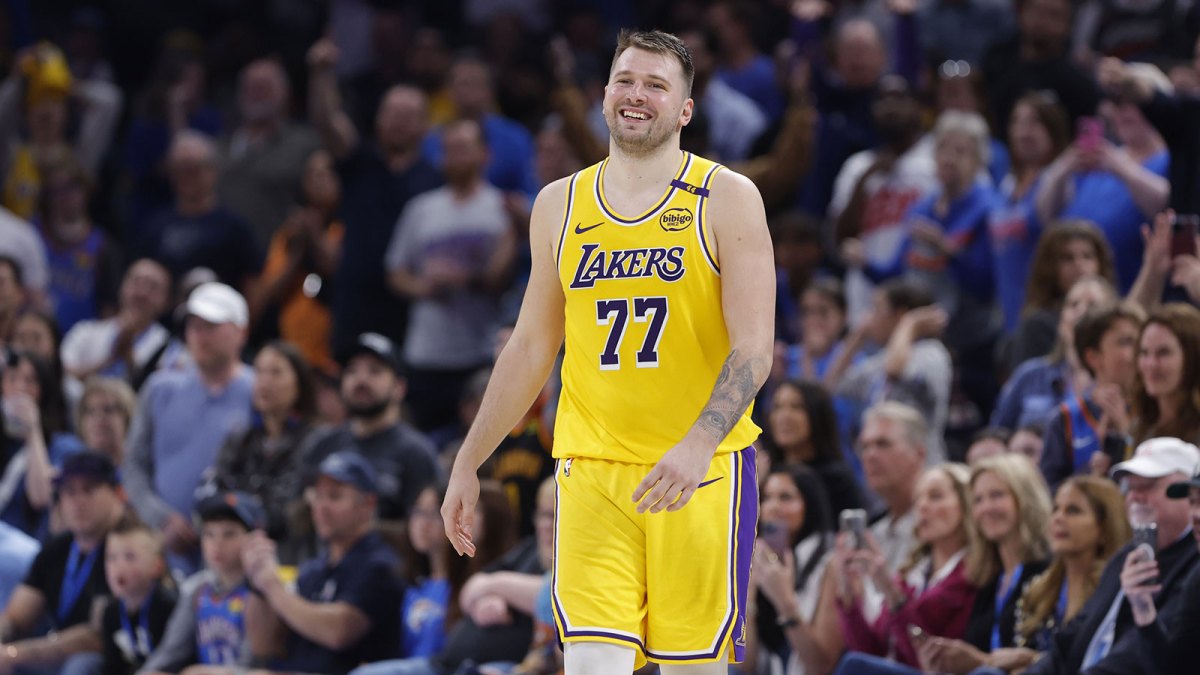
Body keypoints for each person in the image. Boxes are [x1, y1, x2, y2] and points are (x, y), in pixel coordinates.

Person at [442, 29, 774, 675]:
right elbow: (531, 346)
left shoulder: (728, 197)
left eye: (656, 85)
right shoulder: (558, 204)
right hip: (592, 470)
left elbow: (754, 348)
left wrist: (699, 442)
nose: (636, 95)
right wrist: (468, 459)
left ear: (685, 109)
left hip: (700, 472)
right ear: (603, 96)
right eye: (625, 80)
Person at [1023, 437, 1199, 674]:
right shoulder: (1126, 555)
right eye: (1131, 488)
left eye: (1148, 486)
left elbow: (1137, 659)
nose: (1135, 497)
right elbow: (1068, 642)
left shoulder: (1192, 563)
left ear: (1188, 495)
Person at [385, 118, 518, 432]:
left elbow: (502, 279)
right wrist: (424, 287)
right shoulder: (421, 209)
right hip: (426, 353)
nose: (455, 157)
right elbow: (395, 271)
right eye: (449, 150)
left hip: (480, 351)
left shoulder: (502, 209)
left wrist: (466, 278)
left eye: (463, 149)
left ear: (484, 154)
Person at [122, 282, 253, 573]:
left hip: (234, 559)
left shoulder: (259, 392)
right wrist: (160, 518)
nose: (200, 335)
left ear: (241, 332)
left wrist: (224, 528)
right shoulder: (159, 389)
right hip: (161, 550)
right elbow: (133, 464)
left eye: (211, 326)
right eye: (194, 326)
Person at [242, 451, 404, 673]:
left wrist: (273, 587)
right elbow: (264, 646)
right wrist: (258, 582)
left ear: (368, 503)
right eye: (317, 496)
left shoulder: (380, 565)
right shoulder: (313, 570)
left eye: (335, 497)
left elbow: (338, 632)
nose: (321, 507)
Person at [832, 463, 980, 674]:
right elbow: (870, 651)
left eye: (935, 496)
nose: (922, 506)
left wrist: (891, 592)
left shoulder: (973, 574)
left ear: (966, 504)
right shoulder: (912, 573)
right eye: (918, 499)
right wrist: (848, 590)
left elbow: (927, 659)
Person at [914, 454, 1054, 673]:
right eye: (978, 500)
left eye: (997, 495)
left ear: (1025, 498)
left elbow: (1053, 658)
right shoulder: (987, 578)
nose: (986, 508)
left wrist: (981, 661)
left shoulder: (1050, 571)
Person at [0, 452, 126, 674]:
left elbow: (97, 636)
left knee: (81, 665)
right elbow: (16, 618)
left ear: (117, 493)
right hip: (56, 654)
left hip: (113, 661)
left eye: (89, 490)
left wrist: (15, 654)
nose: (78, 502)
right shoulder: (57, 549)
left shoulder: (125, 550)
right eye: (69, 491)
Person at [300, 332, 439, 525]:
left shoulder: (416, 453)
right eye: (351, 371)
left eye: (375, 371)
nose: (361, 380)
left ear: (399, 387)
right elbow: (296, 514)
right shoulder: (322, 443)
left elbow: (426, 528)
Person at [202, 341, 318, 562]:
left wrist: (240, 509)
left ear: (299, 383)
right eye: (260, 372)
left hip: (289, 555)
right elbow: (213, 497)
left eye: (276, 373)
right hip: (234, 555)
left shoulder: (316, 441)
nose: (265, 381)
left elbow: (288, 511)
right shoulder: (239, 439)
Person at [138, 491, 266, 672]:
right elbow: (170, 653)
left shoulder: (264, 591)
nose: (217, 543)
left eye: (229, 534)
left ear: (255, 538)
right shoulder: (197, 590)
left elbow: (255, 664)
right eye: (209, 534)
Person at [1009, 477, 1130, 659]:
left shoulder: (1115, 592)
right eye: (1055, 509)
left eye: (1073, 510)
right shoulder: (1037, 590)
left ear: (1105, 527)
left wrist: (1030, 660)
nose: (1058, 518)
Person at [745, 464, 842, 675]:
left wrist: (784, 601)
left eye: (786, 497)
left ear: (810, 505)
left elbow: (821, 666)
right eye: (766, 498)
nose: (773, 507)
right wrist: (748, 596)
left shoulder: (831, 564)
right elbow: (745, 665)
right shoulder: (754, 559)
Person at [987, 92, 1071, 336]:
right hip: (1007, 313)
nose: (1024, 131)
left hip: (1044, 314)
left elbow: (1044, 215)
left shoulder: (1061, 181)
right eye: (1017, 122)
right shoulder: (1007, 184)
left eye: (1034, 122)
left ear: (1052, 129)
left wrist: (1063, 167)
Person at [991, 276, 1117, 431]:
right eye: (1073, 304)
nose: (1081, 311)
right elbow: (996, 434)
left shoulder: (1118, 383)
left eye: (1093, 305)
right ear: (1061, 321)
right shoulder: (1029, 376)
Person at [1040, 304, 1143, 487]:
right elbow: (1048, 493)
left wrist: (1126, 431)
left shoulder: (1155, 411)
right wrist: (1091, 475)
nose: (1138, 352)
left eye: (1140, 342)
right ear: (1093, 357)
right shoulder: (1065, 419)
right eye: (1126, 342)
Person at [1000, 220, 1116, 377]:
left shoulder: (1116, 321)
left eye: (1087, 256)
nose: (1079, 265)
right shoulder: (1036, 327)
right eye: (1068, 258)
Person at [1126, 466, 1200, 674]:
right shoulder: (1196, 579)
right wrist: (1144, 611)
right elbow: (1173, 668)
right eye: (1193, 501)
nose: (1196, 514)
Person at [59, 259, 172, 385]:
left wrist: (129, 359)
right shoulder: (85, 332)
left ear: (166, 301)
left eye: (153, 287)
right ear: (122, 286)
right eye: (137, 282)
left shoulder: (170, 348)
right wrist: (112, 359)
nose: (142, 293)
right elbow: (61, 374)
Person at [764, 379, 864, 515]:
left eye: (796, 407)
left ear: (817, 415)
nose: (784, 416)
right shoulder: (763, 475)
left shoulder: (837, 481)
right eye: (777, 407)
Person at [99, 518, 175, 675]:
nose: (118, 566)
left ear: (157, 566)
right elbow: (112, 668)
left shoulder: (169, 607)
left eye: (129, 557)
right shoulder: (111, 613)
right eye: (111, 557)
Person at [1130, 303, 1200, 444]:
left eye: (1163, 353)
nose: (1151, 364)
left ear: (1193, 357)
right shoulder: (1139, 427)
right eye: (1144, 352)